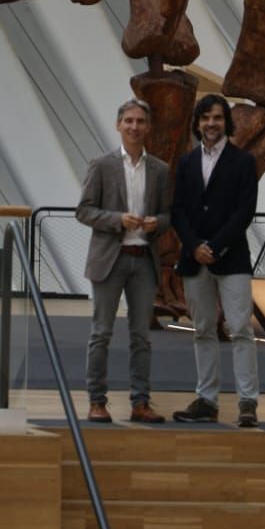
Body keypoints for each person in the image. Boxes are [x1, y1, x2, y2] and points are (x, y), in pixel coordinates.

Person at [76, 97, 171, 423]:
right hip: (109, 260)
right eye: (128, 121)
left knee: (141, 336)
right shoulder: (101, 165)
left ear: (148, 127)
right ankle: (97, 401)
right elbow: (84, 210)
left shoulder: (160, 170)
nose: (134, 127)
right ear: (118, 125)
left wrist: (159, 222)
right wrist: (118, 220)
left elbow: (169, 214)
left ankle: (140, 403)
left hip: (144, 259)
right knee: (101, 332)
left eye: (140, 121)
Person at [171, 92, 260, 427]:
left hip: (232, 258)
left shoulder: (243, 162)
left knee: (239, 329)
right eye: (206, 117)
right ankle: (206, 399)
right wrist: (194, 246)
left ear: (227, 122)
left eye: (218, 118)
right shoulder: (187, 162)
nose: (211, 123)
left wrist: (216, 245)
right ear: (198, 122)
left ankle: (247, 401)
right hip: (194, 260)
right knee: (203, 329)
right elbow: (178, 209)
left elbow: (244, 211)